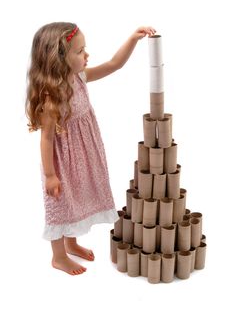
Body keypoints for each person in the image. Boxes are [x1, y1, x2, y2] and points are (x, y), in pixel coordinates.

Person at [25, 22, 156, 276]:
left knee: (77, 198)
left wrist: (132, 39)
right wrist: (51, 175)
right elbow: (47, 140)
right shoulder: (52, 98)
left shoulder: (79, 78)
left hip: (84, 156)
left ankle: (71, 243)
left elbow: (113, 64)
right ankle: (59, 256)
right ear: (59, 59)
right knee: (61, 205)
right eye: (79, 51)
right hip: (62, 162)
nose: (86, 55)